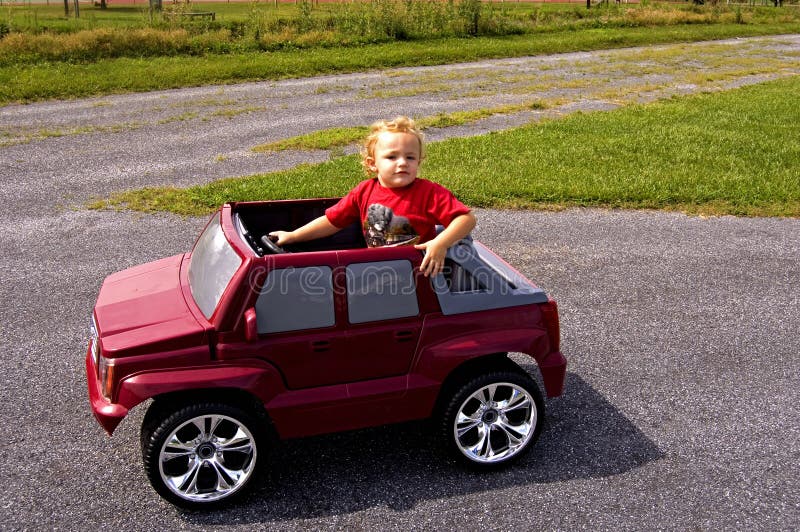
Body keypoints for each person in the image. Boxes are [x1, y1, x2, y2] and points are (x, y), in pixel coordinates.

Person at [269, 116, 476, 277]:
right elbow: (332, 221)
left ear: (419, 162)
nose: (402, 162)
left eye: (410, 157)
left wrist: (440, 243)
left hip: (420, 273)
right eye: (392, 157)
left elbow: (466, 219)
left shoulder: (428, 193)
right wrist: (293, 236)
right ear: (372, 163)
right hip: (378, 269)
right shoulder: (364, 191)